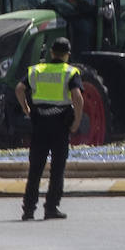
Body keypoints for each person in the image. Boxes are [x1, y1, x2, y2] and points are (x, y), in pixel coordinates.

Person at [15, 37, 84, 221]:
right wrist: (77, 121)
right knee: (57, 168)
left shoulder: (36, 70)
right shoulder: (70, 72)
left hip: (39, 124)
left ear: (52, 52)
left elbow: (19, 89)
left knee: (35, 168)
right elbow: (77, 97)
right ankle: (51, 208)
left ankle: (28, 209)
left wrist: (26, 108)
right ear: (67, 55)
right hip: (60, 125)